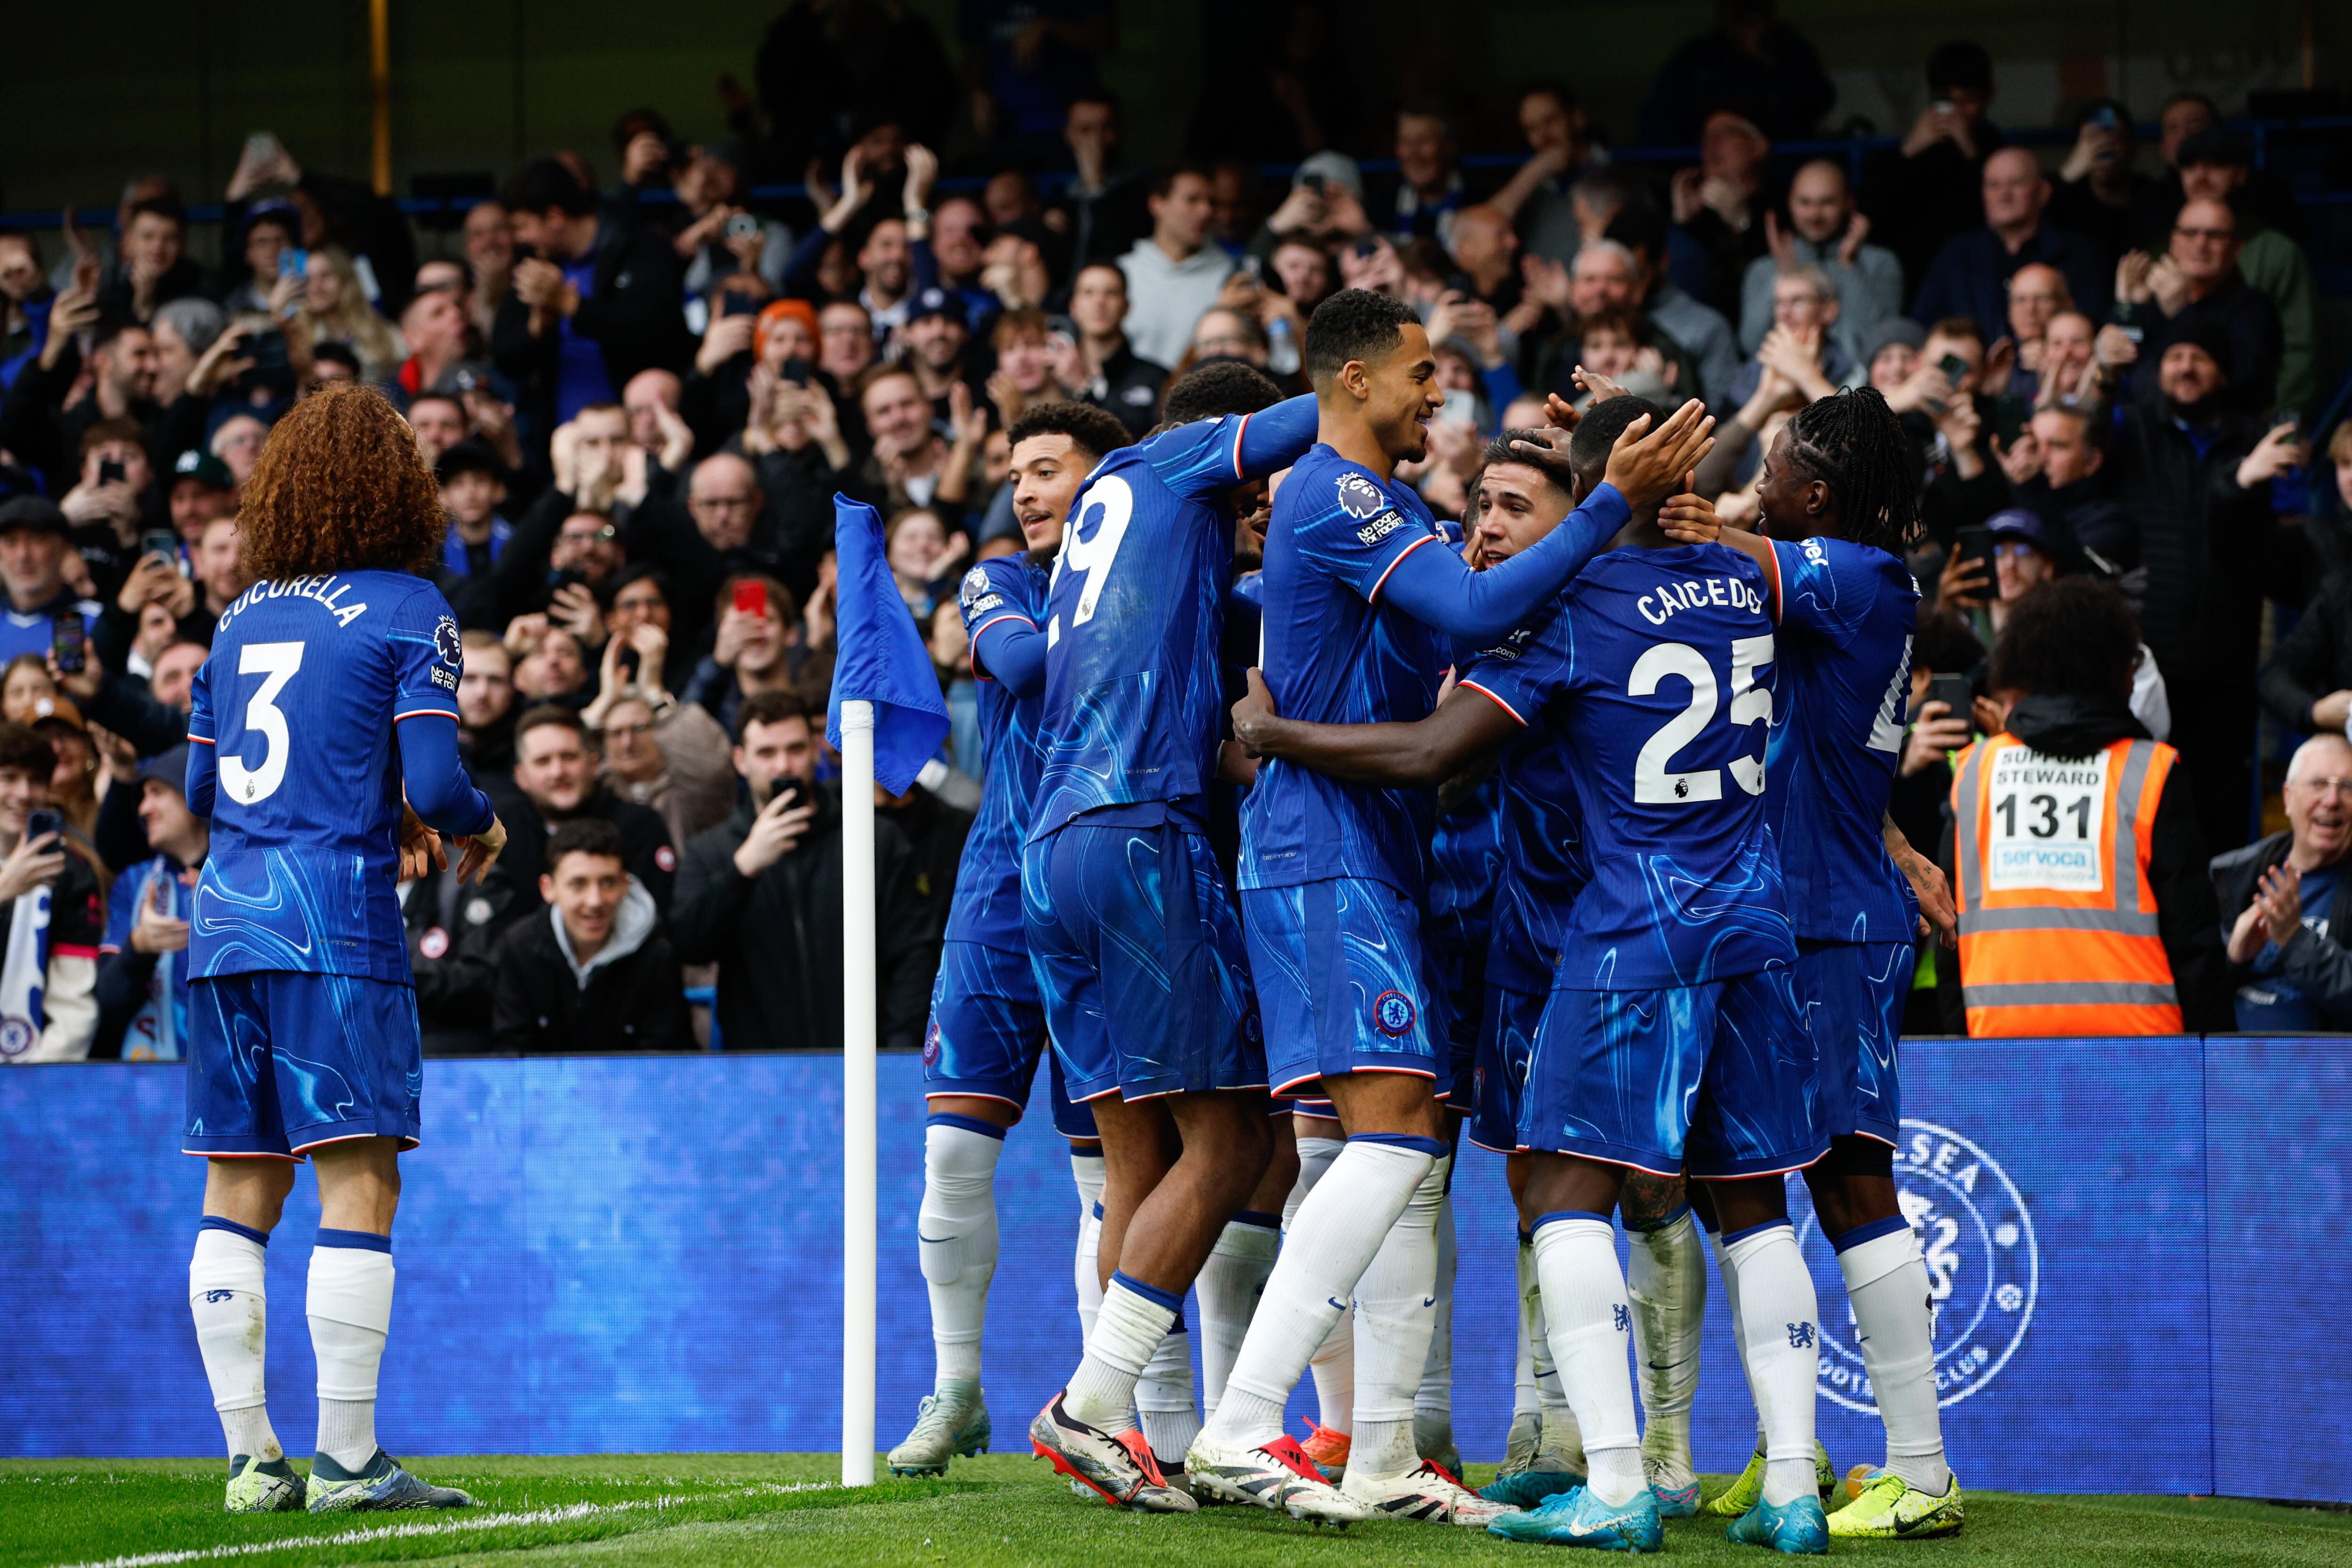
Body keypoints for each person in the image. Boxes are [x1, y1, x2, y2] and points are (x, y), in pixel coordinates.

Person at [1230, 395, 1822, 1552]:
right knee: (1752, 1211)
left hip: (1626, 933)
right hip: (1748, 924)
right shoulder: (1746, 584)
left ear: (1595, 504)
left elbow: (1431, 751)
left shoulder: (1564, 611)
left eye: (1524, 504)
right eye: (1484, 505)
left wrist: (1276, 734)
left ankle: (1620, 1478)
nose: (1493, 529)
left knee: (1561, 1195)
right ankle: (1792, 1484)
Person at [1185, 295, 1709, 1524]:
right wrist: (1605, 503)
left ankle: (1380, 1455)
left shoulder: (1380, 507)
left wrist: (1608, 477)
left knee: (1400, 1135)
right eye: (1424, 374)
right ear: (1354, 378)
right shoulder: (1339, 488)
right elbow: (1477, 616)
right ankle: (1241, 1419)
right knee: (1391, 1130)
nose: (1441, 393)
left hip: (1361, 849)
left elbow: (1468, 641)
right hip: (1325, 848)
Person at [176, 383, 505, 1514]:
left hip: (225, 919)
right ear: (399, 486)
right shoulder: (413, 607)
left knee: (235, 1189)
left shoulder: (236, 616)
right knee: (356, 1181)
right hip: (334, 920)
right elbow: (437, 783)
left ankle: (250, 1462)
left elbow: (198, 787)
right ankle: (351, 1462)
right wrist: (474, 822)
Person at [1019, 359, 1321, 1513]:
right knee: (1237, 1142)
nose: (1259, 511)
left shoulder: (1115, 519)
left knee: (1134, 1162)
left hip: (1057, 848)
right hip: (1139, 831)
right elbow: (1323, 414)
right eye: (1259, 489)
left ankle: (1133, 1440)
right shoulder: (1178, 455)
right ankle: (1092, 1409)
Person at [1686, 388, 1966, 1537]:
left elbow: (1703, 537)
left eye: (1775, 460)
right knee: (1743, 1191)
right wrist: (1898, 837)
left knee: (1851, 1185)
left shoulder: (1854, 573)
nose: (1758, 474)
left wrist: (1625, 453)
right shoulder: (1835, 582)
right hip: (1784, 915)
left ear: (1816, 496)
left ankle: (1924, 1470)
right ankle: (1783, 1447)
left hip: (1831, 931)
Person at [886, 400, 1132, 1477]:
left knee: (1103, 1179)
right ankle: (957, 1389)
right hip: (999, 897)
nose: (1027, 491)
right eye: (1017, 473)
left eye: (1050, 469)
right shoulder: (998, 580)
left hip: (1110, 901)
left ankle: (1098, 1405)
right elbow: (1025, 667)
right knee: (950, 1155)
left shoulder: (1157, 581)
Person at [1941, 576, 2230, 1035]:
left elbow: (1948, 929)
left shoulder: (1976, 770)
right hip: (2139, 1061)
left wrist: (1960, 1053)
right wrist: (2215, 1070)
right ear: (2114, 669)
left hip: (1998, 1051)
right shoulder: (2150, 771)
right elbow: (2192, 939)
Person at [672, 689, 931, 1052]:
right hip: (762, 1073)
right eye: (766, 753)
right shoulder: (712, 852)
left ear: (814, 751)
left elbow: (914, 951)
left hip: (866, 1063)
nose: (783, 766)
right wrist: (742, 870)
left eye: (794, 749)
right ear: (740, 760)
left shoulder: (874, 837)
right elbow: (688, 944)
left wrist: (900, 1045)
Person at [492, 159, 691, 430]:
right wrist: (537, 327)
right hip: (560, 444)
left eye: (522, 226)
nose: (518, 238)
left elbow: (661, 329)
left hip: (641, 435)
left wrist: (570, 304)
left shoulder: (639, 247)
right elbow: (504, 356)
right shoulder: (535, 266)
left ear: (555, 218)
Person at [489, 818, 691, 1054]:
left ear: (625, 884)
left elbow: (665, 1057)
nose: (595, 901)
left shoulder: (657, 955)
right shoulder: (519, 946)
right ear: (549, 889)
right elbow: (512, 1051)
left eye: (608, 883)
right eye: (578, 884)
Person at [2215, 733, 2352, 1030]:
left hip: (2326, 1071)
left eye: (2347, 788)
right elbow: (2189, 994)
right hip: (2225, 1067)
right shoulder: (2230, 875)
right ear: (2288, 797)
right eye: (2318, 784)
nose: (2332, 801)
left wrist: (2294, 940)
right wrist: (2233, 959)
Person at [1908, 148, 2108, 346]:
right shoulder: (1956, 256)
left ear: (2044, 193)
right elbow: (1926, 329)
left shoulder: (2080, 254)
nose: (2004, 194)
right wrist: (1967, 371)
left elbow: (2094, 328)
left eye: (2017, 183)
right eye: (1993, 185)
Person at [492, 705, 675, 914]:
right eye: (543, 761)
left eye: (569, 757)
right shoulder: (500, 831)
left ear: (594, 764)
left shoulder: (641, 826)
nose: (558, 772)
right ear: (521, 777)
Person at [2115, 197, 2285, 414]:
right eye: (2190, 233)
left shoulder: (2255, 310)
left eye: (2214, 235)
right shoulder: (2151, 301)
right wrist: (2128, 310)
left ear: (2237, 249)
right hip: (2148, 437)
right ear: (2173, 242)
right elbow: (2127, 378)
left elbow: (2241, 387)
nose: (2201, 244)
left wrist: (2182, 312)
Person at [0, 718, 105, 1065]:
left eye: (36, 781)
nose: (24, 793)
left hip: (34, 1077)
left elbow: (73, 1008)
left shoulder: (70, 871)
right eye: (9, 778)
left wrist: (34, 1085)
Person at [94, 744, 206, 1061]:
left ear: (194, 794)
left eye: (157, 791)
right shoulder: (134, 882)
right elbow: (103, 1006)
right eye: (142, 796)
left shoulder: (240, 877)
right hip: (149, 1089)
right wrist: (139, 948)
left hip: (234, 1077)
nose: (144, 808)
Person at [1737, 159, 1902, 363]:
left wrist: (1849, 268)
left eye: (1827, 203)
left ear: (1849, 203)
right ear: (1790, 203)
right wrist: (1783, 274)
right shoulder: (1763, 270)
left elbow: (1878, 347)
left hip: (1854, 389)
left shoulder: (1881, 263)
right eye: (1805, 203)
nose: (1815, 215)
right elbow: (1752, 344)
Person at [1635, 0, 1835, 144]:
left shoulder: (1791, 50)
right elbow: (1657, 116)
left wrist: (1762, 58)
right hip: (1706, 167)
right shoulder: (1697, 55)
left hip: (1779, 166)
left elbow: (1817, 102)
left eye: (1752, 8)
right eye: (1734, 6)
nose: (1743, 15)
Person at [1116, 167, 1236, 373]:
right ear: (1157, 204)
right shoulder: (1123, 272)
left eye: (1211, 203)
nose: (1206, 211)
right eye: (1192, 200)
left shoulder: (1230, 275)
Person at [1064, 263, 1168, 437]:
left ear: (1126, 307)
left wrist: (1083, 390)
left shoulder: (1156, 378)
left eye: (1110, 293)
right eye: (1089, 293)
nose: (1099, 301)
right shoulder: (1053, 376)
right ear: (1073, 307)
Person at [0, 497, 100, 666]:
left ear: (63, 548)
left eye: (35, 540)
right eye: (11, 542)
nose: (23, 556)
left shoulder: (93, 621)